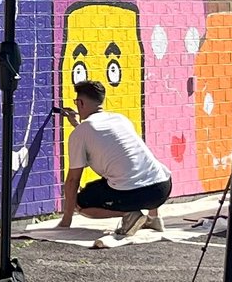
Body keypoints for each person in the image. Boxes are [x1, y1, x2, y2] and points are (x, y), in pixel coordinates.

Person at [53, 79, 173, 245]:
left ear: (80, 103)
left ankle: (129, 214)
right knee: (142, 166)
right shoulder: (120, 119)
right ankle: (154, 218)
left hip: (133, 194)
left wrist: (66, 220)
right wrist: (77, 125)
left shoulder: (81, 133)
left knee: (80, 202)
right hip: (162, 188)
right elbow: (102, 143)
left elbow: (73, 180)